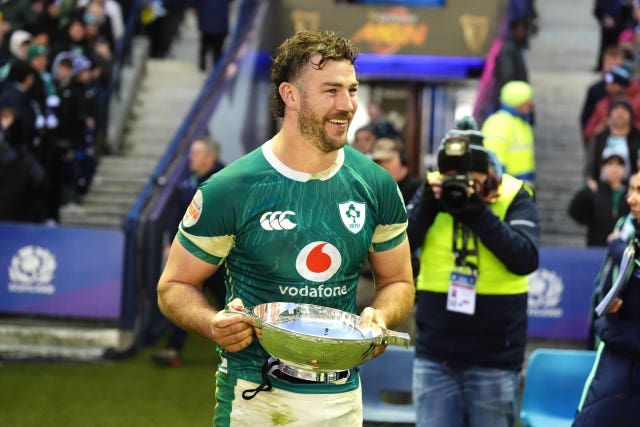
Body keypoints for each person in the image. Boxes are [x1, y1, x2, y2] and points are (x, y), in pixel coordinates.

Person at [156, 30, 415, 425]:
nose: (347, 105)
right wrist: (212, 324)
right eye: (331, 90)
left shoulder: (377, 185)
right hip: (254, 397)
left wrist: (379, 317)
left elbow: (399, 282)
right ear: (290, 96)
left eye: (352, 90)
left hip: (342, 400)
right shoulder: (231, 189)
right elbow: (173, 286)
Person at [407, 131, 540, 427]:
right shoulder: (432, 191)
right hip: (434, 353)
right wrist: (424, 210)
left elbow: (526, 258)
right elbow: (398, 250)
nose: (459, 185)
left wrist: (479, 214)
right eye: (451, 177)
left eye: (468, 179)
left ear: (487, 173)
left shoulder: (512, 194)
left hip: (494, 356)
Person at [152, 136, 227, 367]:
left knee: (229, 301)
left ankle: (254, 349)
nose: (190, 158)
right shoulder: (188, 180)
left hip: (217, 256)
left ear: (209, 157)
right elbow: (179, 215)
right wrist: (171, 244)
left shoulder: (223, 181)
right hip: (193, 255)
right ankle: (172, 348)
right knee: (184, 293)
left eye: (195, 153)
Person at [572, 174, 640, 427]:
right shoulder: (629, 230)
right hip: (617, 363)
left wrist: (611, 328)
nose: (631, 199)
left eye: (639, 190)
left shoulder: (625, 242)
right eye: (631, 188)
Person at [569, 148, 631, 246]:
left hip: (624, 249)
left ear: (624, 169)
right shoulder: (595, 191)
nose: (614, 168)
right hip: (597, 247)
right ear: (603, 168)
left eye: (619, 164)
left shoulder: (631, 193)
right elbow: (575, 213)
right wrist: (585, 192)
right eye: (610, 164)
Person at [481, 80, 536, 188]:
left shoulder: (522, 123)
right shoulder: (499, 123)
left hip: (521, 188)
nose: (531, 103)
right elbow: (494, 160)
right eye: (527, 99)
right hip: (506, 190)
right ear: (518, 101)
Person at [584, 98, 640, 187]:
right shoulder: (599, 137)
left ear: (630, 115)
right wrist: (590, 180)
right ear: (610, 115)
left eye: (624, 110)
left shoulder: (637, 137)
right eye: (616, 110)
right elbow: (591, 163)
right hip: (601, 187)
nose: (620, 113)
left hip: (630, 187)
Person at [580, 45, 626, 132]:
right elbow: (585, 119)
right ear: (603, 64)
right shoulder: (595, 90)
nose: (613, 68)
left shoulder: (631, 88)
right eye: (610, 64)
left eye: (617, 65)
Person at [492, 18, 530, 111]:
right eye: (520, 31)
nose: (522, 34)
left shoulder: (514, 48)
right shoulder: (509, 49)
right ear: (513, 31)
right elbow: (506, 75)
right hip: (510, 100)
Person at [371, 137, 422, 205]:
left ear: (402, 160)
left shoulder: (418, 188)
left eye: (387, 160)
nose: (382, 166)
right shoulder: (375, 190)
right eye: (378, 162)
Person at [192, 0, 231, 72]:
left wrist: (195, 6)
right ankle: (215, 65)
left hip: (207, 15)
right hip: (218, 16)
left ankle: (204, 62)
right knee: (217, 45)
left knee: (206, 41)